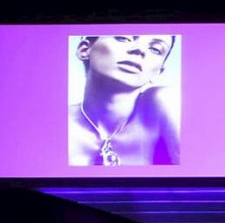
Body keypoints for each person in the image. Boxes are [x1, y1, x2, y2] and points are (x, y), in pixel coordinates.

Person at [68, 35, 180, 167]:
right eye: (124, 38)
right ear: (84, 50)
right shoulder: (57, 122)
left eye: (155, 49)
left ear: (157, 73)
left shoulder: (165, 101)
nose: (140, 50)